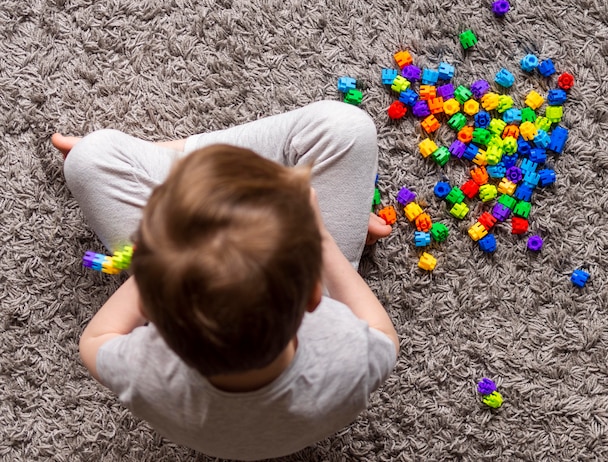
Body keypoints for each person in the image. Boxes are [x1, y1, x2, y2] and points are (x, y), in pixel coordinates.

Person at [53, 100, 399, 461]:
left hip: (203, 273)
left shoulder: (147, 372)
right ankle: (217, 181)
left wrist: (158, 258)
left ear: (151, 309)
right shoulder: (345, 359)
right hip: (303, 272)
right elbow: (383, 333)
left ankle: (177, 167)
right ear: (313, 293)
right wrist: (324, 239)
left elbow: (95, 339)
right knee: (347, 126)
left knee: (88, 159)